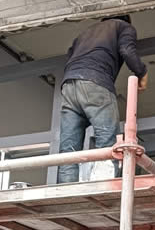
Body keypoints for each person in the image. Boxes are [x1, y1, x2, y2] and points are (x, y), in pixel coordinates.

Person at [57, 14, 149, 183]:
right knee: (108, 143)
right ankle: (102, 188)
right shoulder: (123, 27)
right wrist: (142, 72)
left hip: (69, 86)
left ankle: (66, 192)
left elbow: (69, 56)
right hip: (95, 82)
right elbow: (127, 50)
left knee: (68, 149)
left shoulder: (85, 33)